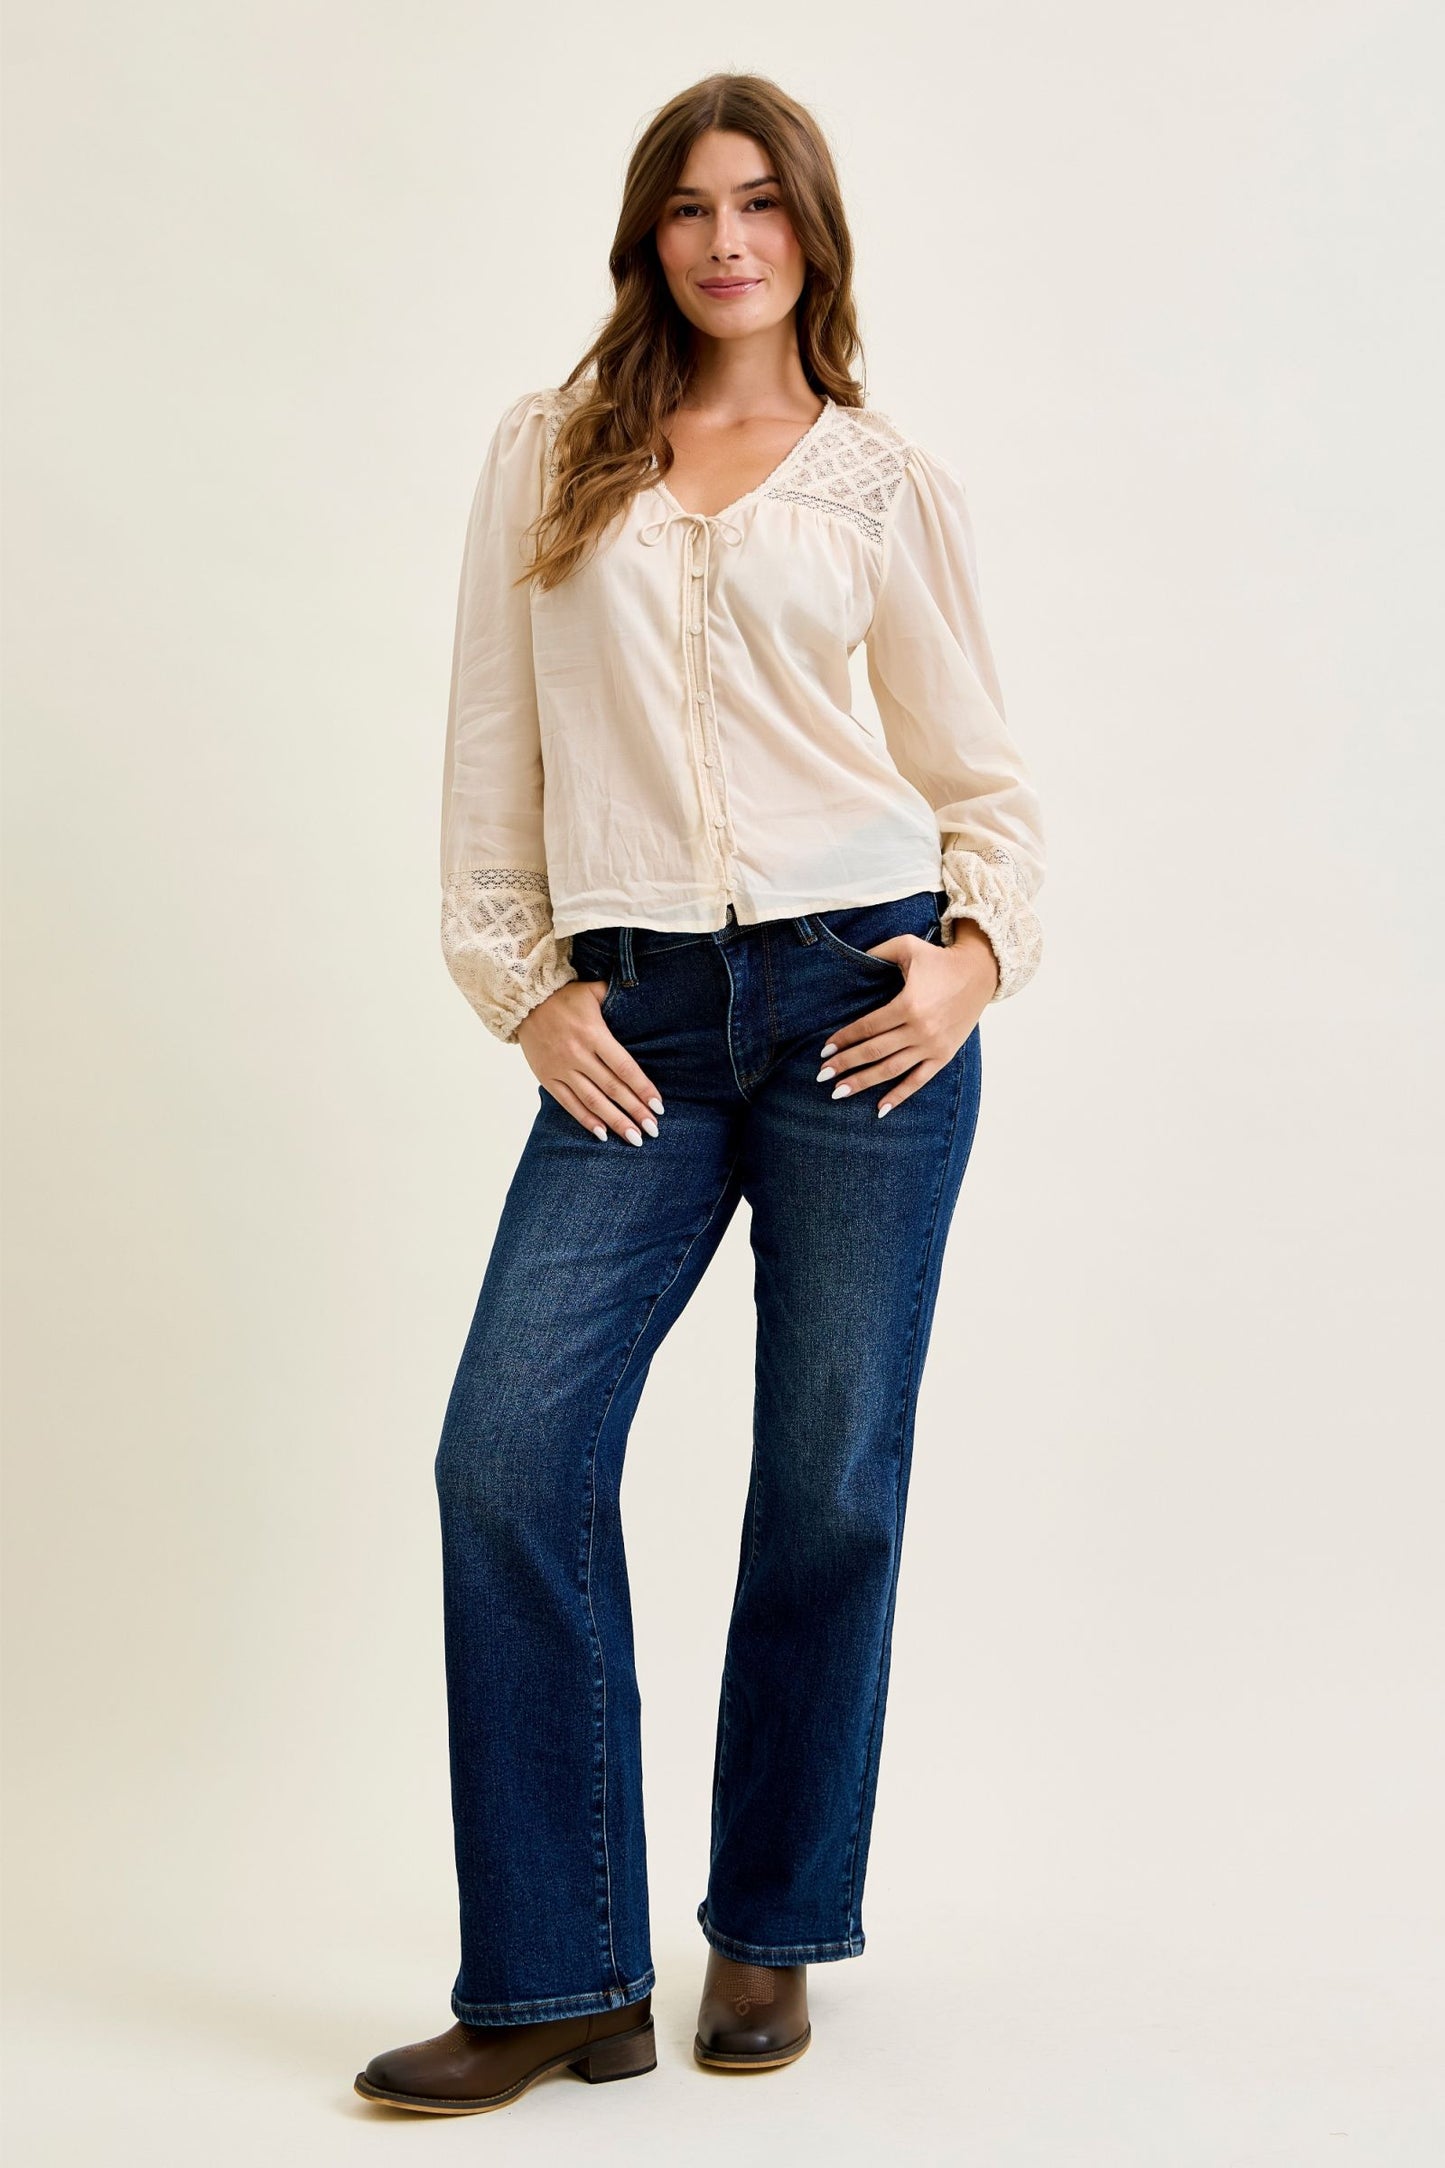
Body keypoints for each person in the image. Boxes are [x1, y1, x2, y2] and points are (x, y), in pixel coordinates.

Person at [355, 70, 1045, 2117]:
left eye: (762, 204)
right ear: (647, 235)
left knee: (830, 1477)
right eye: (689, 205)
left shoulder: (879, 485)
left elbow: (982, 776)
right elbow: (494, 749)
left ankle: (768, 1928)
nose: (726, 237)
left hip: (859, 1008)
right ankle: (560, 1972)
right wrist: (525, 987)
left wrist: (975, 955)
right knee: (510, 1453)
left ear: (812, 237)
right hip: (635, 1018)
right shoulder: (552, 456)